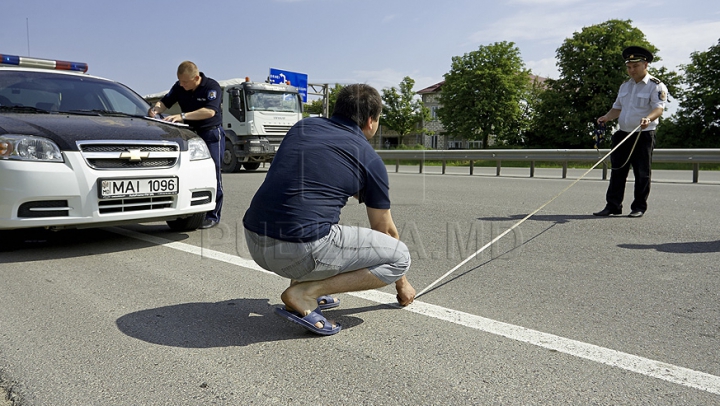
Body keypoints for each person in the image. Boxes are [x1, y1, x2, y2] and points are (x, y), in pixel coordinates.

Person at [243, 84, 415, 336]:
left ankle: (304, 283)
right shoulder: (369, 159)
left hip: (254, 240)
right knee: (400, 257)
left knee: (315, 216)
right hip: (296, 251)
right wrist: (403, 284)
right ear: (370, 121)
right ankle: (305, 293)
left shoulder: (303, 127)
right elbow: (384, 230)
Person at [593, 46, 668, 218]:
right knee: (617, 171)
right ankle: (613, 205)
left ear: (645, 65)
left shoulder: (656, 86)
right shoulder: (625, 86)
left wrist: (648, 118)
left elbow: (659, 109)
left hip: (643, 134)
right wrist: (606, 117)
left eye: (635, 66)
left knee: (642, 172)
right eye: (629, 67)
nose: (631, 70)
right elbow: (617, 108)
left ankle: (639, 207)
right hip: (623, 133)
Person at [148, 61, 224, 229]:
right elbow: (164, 102)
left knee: (213, 172)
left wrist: (183, 116)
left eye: (185, 82)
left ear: (196, 78)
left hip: (210, 133)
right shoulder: (179, 86)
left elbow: (210, 111)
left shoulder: (212, 87)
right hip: (189, 134)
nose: (181, 85)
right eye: (179, 81)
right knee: (188, 172)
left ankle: (213, 216)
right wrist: (155, 110)